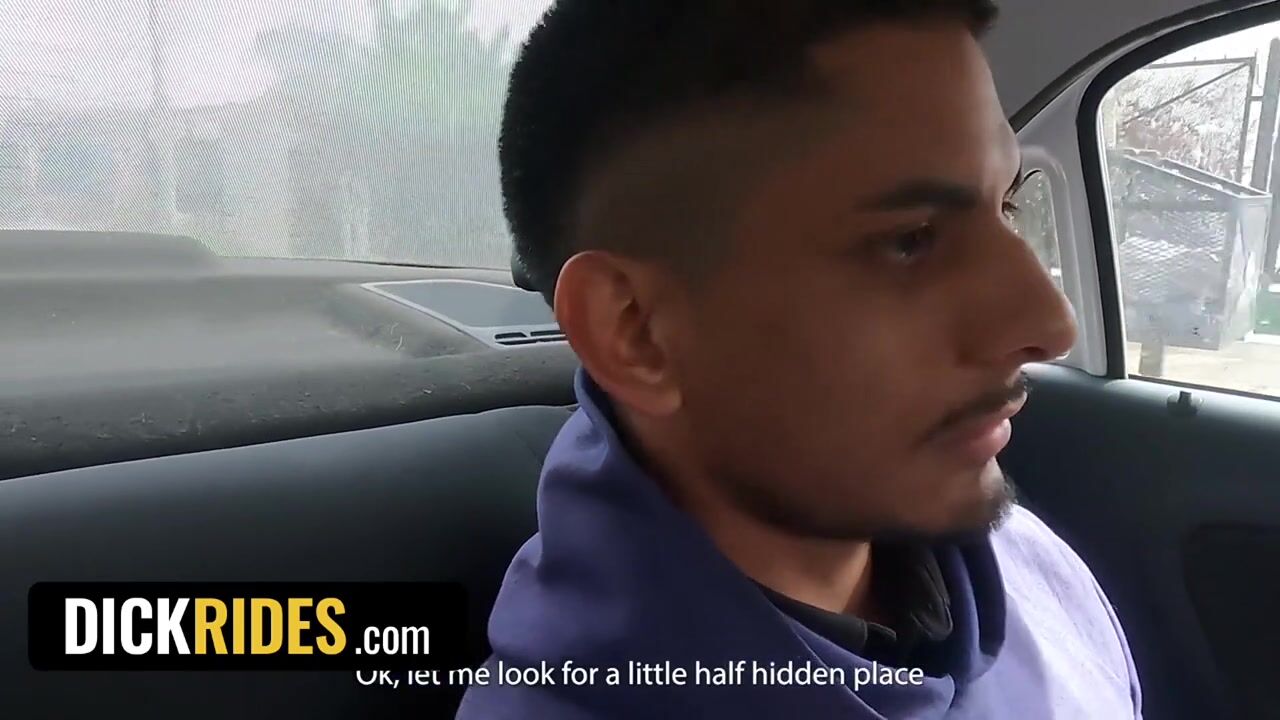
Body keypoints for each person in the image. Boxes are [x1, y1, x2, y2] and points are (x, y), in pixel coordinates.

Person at [457, 1, 1143, 718]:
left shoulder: (1033, 567)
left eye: (1008, 207)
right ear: (636, 333)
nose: (1050, 325)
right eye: (910, 240)